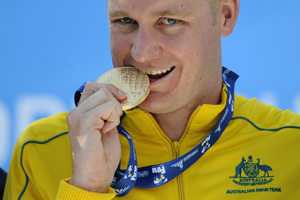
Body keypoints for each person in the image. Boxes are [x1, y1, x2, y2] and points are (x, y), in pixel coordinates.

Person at [4, 0, 300, 199]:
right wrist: (87, 189)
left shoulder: (292, 147)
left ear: (224, 15)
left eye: (169, 21)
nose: (141, 52)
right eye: (125, 21)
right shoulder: (40, 150)